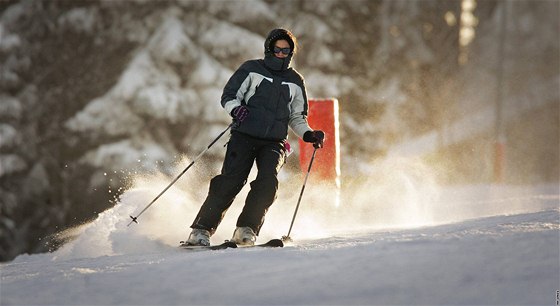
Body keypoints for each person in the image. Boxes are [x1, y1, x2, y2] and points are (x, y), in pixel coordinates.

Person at [185, 28, 324, 246]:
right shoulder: (252, 69)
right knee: (231, 181)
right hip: (244, 135)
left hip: (274, 142)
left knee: (267, 182)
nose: (281, 53)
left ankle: (246, 229)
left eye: (286, 50)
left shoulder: (295, 81)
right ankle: (200, 230)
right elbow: (229, 96)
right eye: (277, 49)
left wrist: (308, 133)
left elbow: (297, 116)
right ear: (269, 48)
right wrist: (236, 109)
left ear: (291, 52)